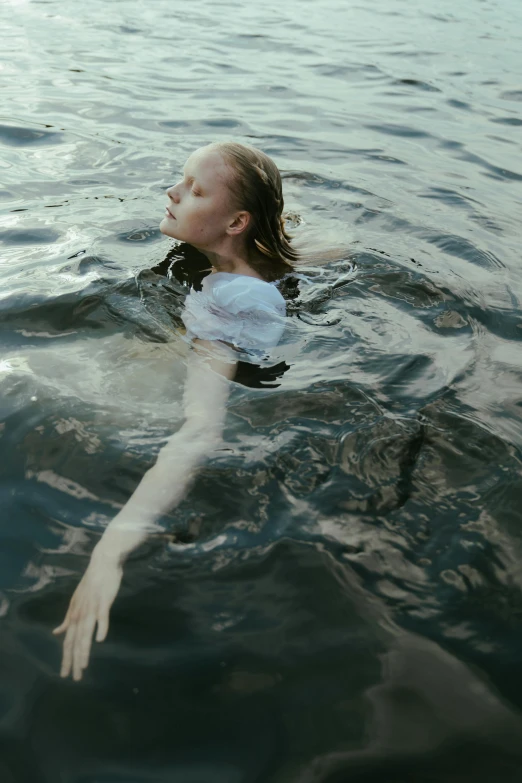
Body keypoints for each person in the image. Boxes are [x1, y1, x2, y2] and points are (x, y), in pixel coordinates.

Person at [53, 142, 299, 681]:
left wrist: (110, 550)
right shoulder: (257, 267)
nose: (173, 191)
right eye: (181, 180)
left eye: (195, 189)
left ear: (236, 221)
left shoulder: (229, 304)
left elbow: (200, 432)